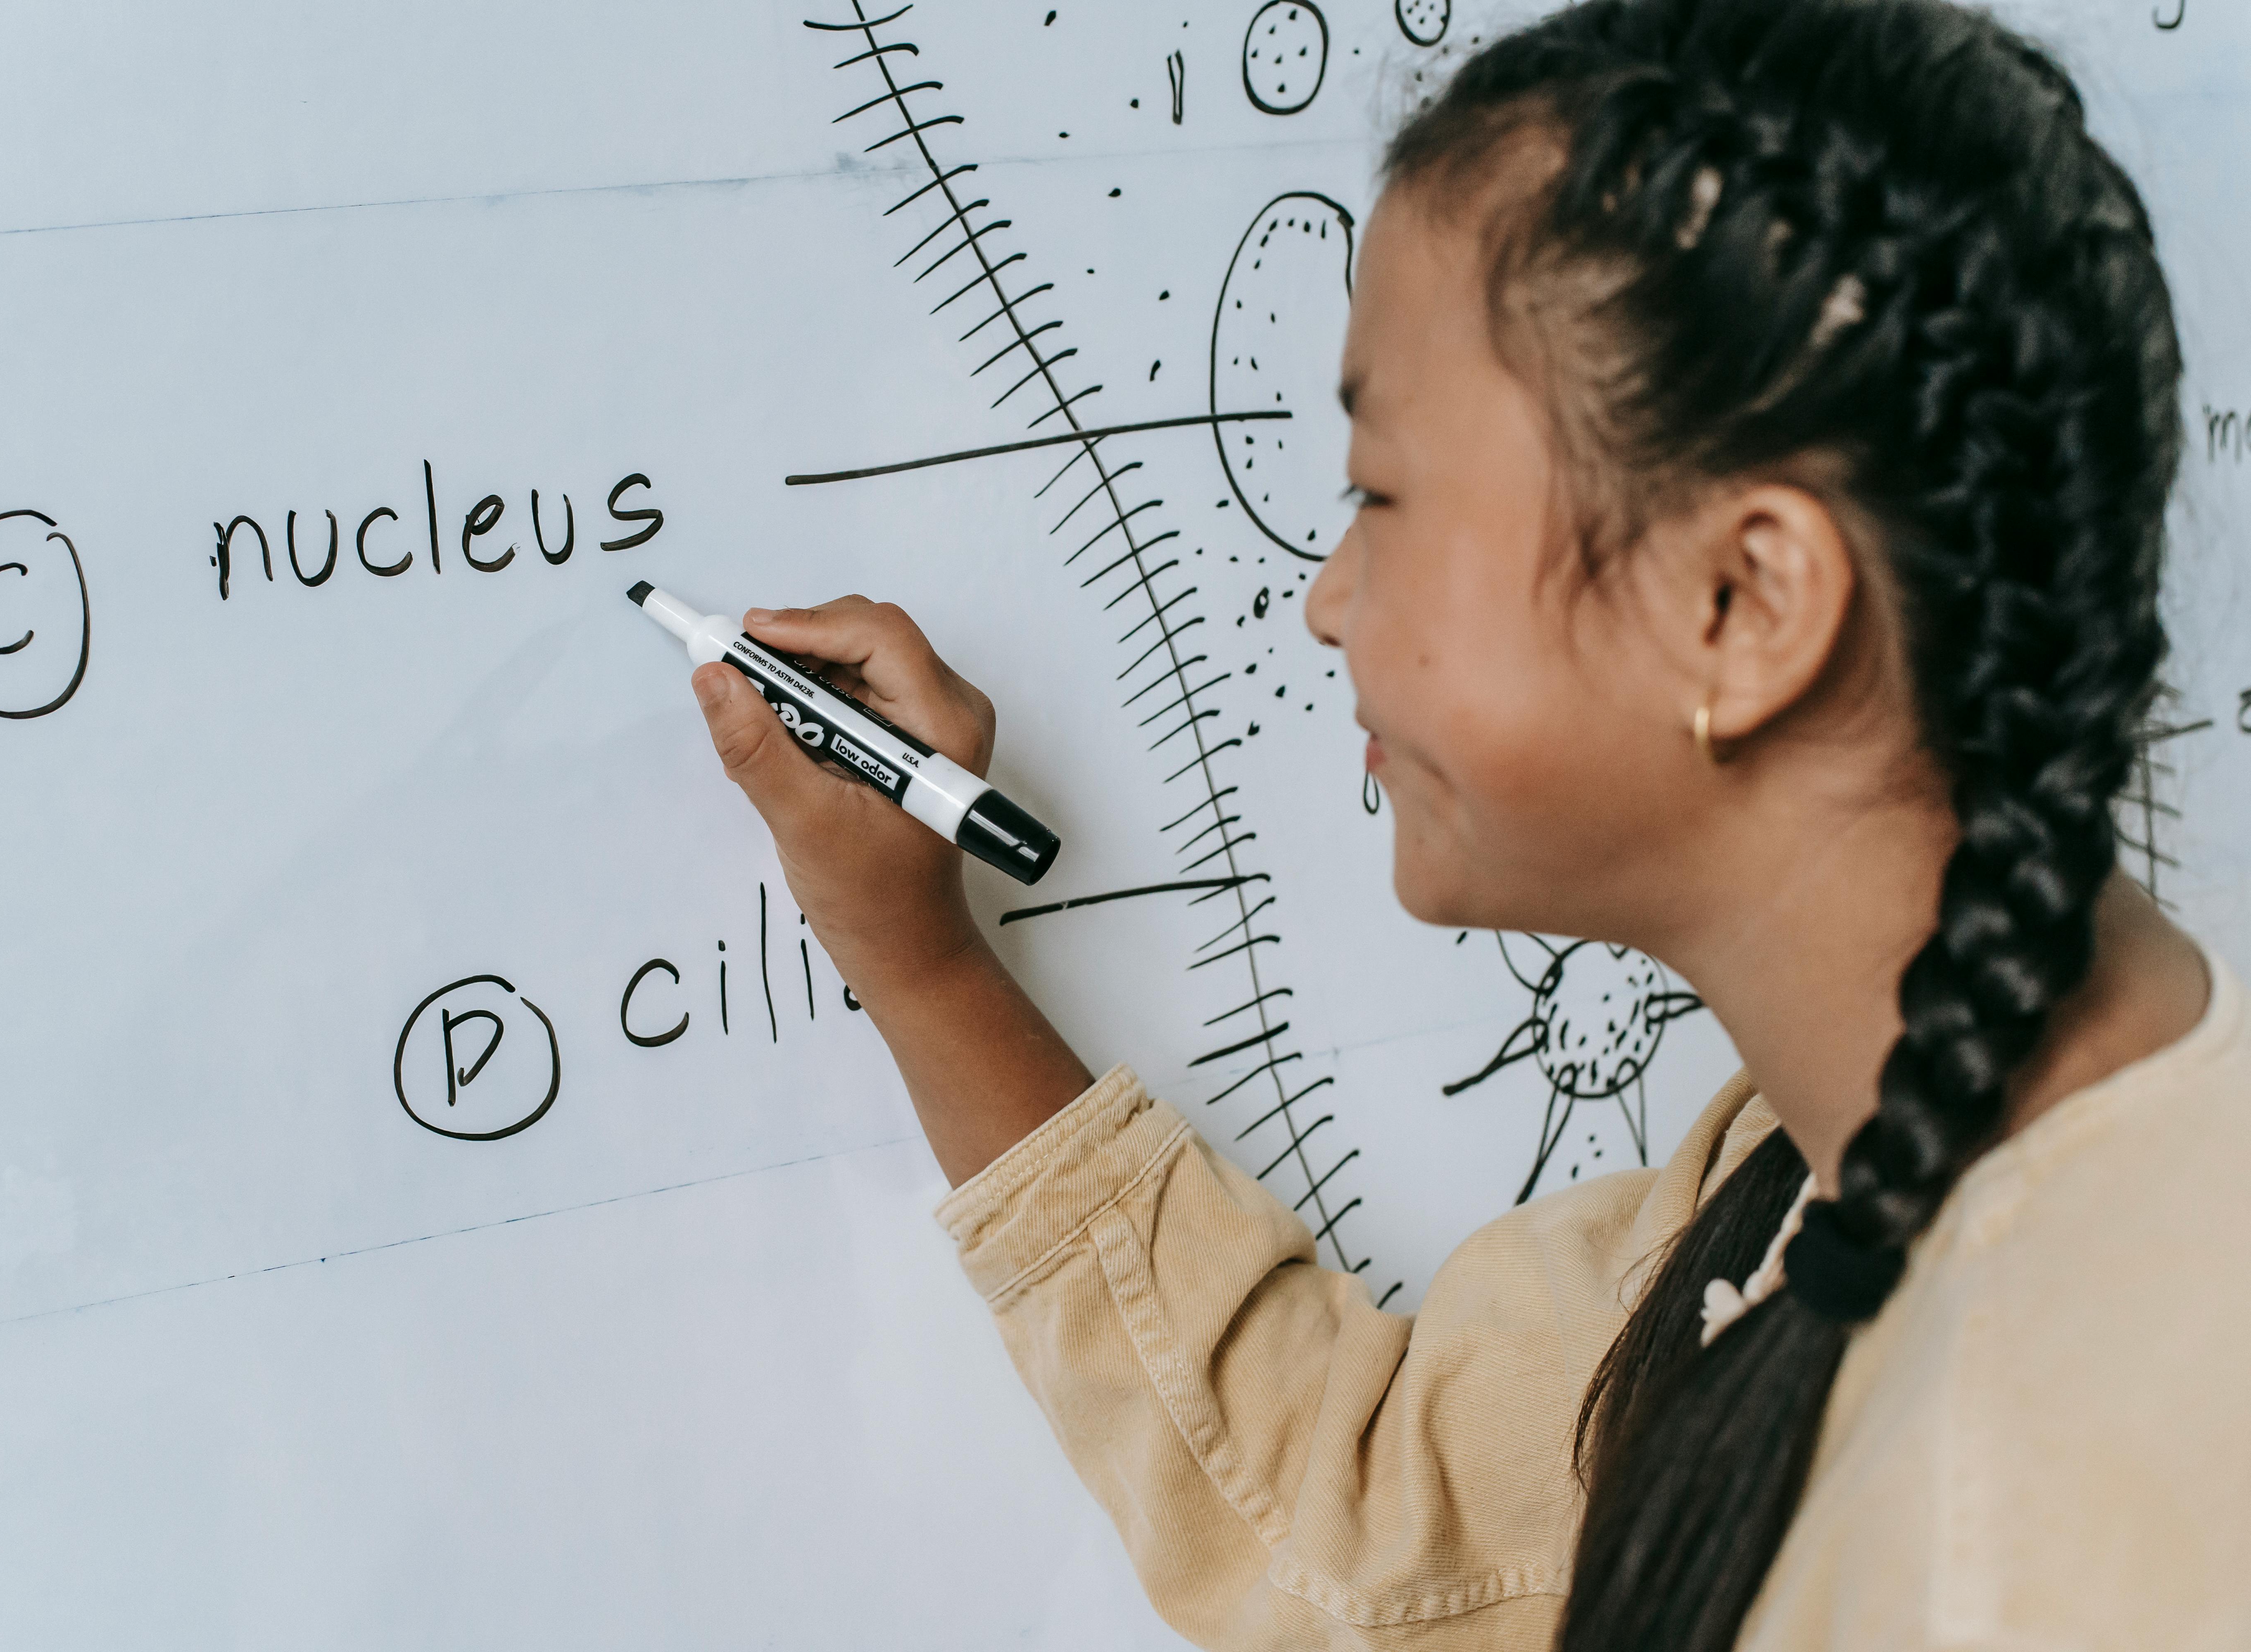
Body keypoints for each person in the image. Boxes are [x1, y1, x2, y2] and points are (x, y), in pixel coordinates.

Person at [687, 0, 2249, 1645]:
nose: (1325, 603)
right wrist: (919, 962)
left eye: (1381, 493)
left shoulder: (2045, 1536)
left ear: (1744, 600)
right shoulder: (1834, 1165)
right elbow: (1396, 1546)